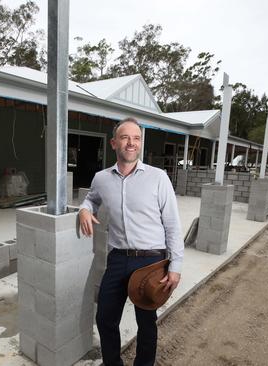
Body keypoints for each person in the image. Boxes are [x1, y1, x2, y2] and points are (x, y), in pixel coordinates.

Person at [79, 117, 184, 366]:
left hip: (151, 261)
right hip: (117, 259)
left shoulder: (158, 178)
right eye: (125, 137)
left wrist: (176, 266)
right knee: (105, 318)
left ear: (140, 144)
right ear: (114, 143)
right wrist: (84, 209)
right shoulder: (101, 178)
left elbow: (172, 224)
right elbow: (91, 199)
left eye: (136, 138)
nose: (131, 143)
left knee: (146, 323)